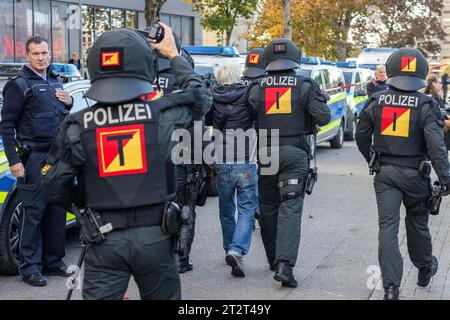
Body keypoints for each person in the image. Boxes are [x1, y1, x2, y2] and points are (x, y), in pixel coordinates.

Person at [41, 25, 212, 299]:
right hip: (156, 237)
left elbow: (52, 185)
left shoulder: (77, 125)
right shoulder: (162, 113)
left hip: (103, 238)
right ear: (145, 66)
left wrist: (82, 206)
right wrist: (173, 53)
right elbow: (201, 97)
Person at [355, 48, 450, 300]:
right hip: (416, 175)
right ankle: (425, 267)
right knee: (417, 223)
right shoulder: (427, 104)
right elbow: (436, 146)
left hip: (385, 173)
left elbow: (361, 135)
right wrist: (446, 177)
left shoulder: (377, 99)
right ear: (421, 72)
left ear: (392, 69)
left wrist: (372, 160)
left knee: (388, 227)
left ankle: (391, 288)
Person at [247, 39, 331, 288]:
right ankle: (285, 265)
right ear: (295, 59)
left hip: (266, 152)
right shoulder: (305, 84)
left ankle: (273, 259)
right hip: (295, 152)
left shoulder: (256, 86)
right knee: (291, 206)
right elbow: (324, 117)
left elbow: (251, 114)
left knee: (269, 206)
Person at [0, 36, 73, 287]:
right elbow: (7, 125)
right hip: (34, 158)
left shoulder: (55, 80)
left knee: (56, 210)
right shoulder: (18, 85)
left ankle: (53, 261)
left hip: (58, 156)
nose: (41, 58)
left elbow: (62, 115)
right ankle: (30, 268)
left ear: (49, 54)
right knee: (33, 212)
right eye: (36, 54)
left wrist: (70, 102)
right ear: (27, 55)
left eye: (44, 53)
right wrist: (13, 160)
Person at [205, 61, 258, 277]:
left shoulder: (212, 97)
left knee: (226, 209)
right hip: (244, 161)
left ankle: (229, 248)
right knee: (246, 208)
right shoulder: (247, 95)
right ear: (238, 76)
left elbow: (208, 121)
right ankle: (236, 250)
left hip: (222, 161)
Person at [424, 75, 450, 150]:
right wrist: (446, 122)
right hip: (435, 130)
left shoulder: (436, 96)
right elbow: (434, 116)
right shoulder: (432, 98)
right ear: (434, 84)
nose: (441, 84)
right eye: (440, 82)